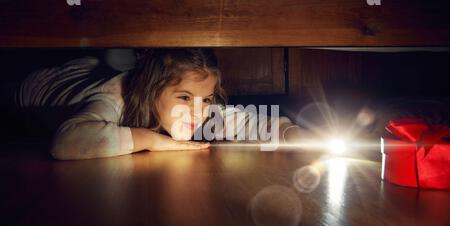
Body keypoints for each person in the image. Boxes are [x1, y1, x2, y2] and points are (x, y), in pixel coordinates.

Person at [13, 48, 306, 160]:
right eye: (184, 98)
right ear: (151, 90)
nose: (198, 111)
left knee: (100, 62)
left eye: (206, 100)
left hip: (92, 70)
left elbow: (242, 120)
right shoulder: (112, 99)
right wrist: (150, 140)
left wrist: (289, 133)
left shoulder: (195, 108)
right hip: (36, 88)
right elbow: (65, 143)